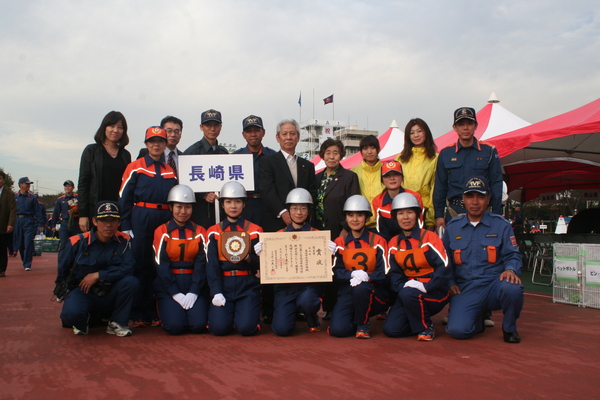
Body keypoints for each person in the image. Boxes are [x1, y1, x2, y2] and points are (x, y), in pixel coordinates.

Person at [443, 176, 523, 343]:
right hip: (466, 288)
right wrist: (450, 282)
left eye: (480, 197)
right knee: (457, 331)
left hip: (494, 285)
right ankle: (477, 319)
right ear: (463, 199)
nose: (475, 202)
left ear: (488, 199)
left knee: (513, 288)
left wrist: (511, 269)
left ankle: (509, 329)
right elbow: (445, 261)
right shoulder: (452, 227)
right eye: (470, 196)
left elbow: (513, 254)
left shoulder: (501, 225)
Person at [258, 119, 316, 323]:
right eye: (284, 134)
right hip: (276, 222)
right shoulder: (267, 162)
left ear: (298, 137)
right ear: (277, 137)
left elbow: (311, 193)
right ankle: (269, 309)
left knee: (299, 264)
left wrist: (303, 216)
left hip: (301, 224)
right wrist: (283, 212)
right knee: (274, 265)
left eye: (293, 133)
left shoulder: (308, 165)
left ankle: (299, 307)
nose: (289, 137)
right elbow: (266, 190)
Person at [119, 126, 177, 326]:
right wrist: (125, 224)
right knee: (140, 264)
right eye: (152, 141)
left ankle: (154, 310)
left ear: (165, 144)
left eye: (160, 141)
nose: (156, 145)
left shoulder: (169, 170)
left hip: (164, 218)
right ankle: (137, 311)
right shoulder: (135, 166)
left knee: (158, 264)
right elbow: (124, 197)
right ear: (146, 144)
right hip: (141, 216)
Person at [56, 201, 139, 337]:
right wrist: (67, 293)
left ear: (119, 223)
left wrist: (98, 275)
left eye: (113, 220)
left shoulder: (125, 241)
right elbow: (63, 271)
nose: (108, 225)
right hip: (84, 291)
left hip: (111, 291)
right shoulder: (77, 242)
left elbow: (128, 268)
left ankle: (117, 323)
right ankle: (86, 319)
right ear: (94, 221)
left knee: (131, 282)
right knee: (71, 315)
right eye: (103, 220)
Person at [260, 188, 334, 336]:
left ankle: (311, 315)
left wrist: (330, 253)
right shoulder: (278, 236)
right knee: (281, 329)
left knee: (308, 301)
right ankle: (291, 312)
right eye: (294, 208)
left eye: (303, 208)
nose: (299, 212)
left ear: (309, 211)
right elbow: (271, 266)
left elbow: (326, 267)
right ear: (288, 210)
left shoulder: (318, 236)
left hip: (309, 287)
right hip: (285, 288)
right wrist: (262, 254)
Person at [383, 192, 451, 341]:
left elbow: (444, 267)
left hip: (434, 291)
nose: (405, 217)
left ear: (417, 215)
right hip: (407, 293)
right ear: (395, 217)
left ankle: (426, 327)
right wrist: (403, 287)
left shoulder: (429, 237)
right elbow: (393, 273)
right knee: (391, 330)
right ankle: (417, 320)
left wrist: (426, 286)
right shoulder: (393, 243)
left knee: (409, 295)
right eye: (400, 213)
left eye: (410, 212)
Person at [205, 182, 262, 336]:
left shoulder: (255, 230)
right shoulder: (214, 232)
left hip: (247, 284)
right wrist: (216, 291)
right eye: (228, 202)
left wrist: (252, 257)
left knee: (246, 329)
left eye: (238, 201)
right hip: (224, 284)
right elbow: (212, 265)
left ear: (244, 204)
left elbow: (259, 265)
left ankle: (249, 318)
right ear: (222, 205)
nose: (233, 206)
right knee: (218, 328)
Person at [434, 107, 503, 231]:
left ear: (475, 126)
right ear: (454, 127)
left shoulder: (489, 151)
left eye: (469, 124)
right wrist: (439, 215)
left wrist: (496, 214)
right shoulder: (446, 153)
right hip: (455, 212)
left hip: (483, 212)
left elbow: (496, 184)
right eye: (461, 124)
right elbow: (440, 186)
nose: (465, 128)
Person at [153, 185, 209, 335]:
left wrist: (194, 291)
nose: (183, 211)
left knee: (198, 325)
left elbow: (201, 264)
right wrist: (174, 292)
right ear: (171, 207)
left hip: (193, 281)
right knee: (175, 327)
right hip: (170, 283)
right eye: (179, 207)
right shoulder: (161, 231)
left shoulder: (200, 231)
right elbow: (161, 264)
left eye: (187, 207)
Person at [329, 195, 388, 339]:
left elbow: (384, 273)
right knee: (338, 331)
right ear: (345, 218)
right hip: (348, 292)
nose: (355, 219)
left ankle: (363, 323)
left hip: (373, 292)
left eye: (360, 215)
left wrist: (367, 277)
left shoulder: (378, 241)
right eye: (350, 215)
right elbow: (336, 272)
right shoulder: (339, 242)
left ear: (367, 218)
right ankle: (356, 319)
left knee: (361, 288)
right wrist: (351, 274)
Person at [314, 138, 360, 320]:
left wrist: (345, 228)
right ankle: (326, 306)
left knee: (338, 268)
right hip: (318, 232)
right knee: (322, 269)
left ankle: (338, 308)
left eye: (335, 153)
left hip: (338, 230)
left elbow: (353, 204)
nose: (331, 156)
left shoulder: (349, 177)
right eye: (328, 153)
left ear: (341, 155)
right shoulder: (317, 178)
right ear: (322, 155)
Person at [78, 111, 132, 233]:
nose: (115, 130)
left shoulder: (125, 155)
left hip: (117, 211)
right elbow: (83, 183)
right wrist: (83, 214)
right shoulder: (91, 151)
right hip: (95, 209)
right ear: (104, 127)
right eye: (112, 126)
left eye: (120, 127)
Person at [183, 109, 229, 228]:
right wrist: (203, 195)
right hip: (200, 211)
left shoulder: (223, 152)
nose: (212, 129)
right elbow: (184, 183)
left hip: (222, 210)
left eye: (216, 125)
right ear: (201, 127)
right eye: (208, 125)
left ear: (221, 127)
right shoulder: (192, 152)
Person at [232, 115, 276, 225]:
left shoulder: (273, 156)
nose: (253, 134)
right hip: (244, 207)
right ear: (243, 135)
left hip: (268, 206)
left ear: (263, 132)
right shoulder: (235, 157)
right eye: (249, 131)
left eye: (257, 130)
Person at [395, 118, 438, 230]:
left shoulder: (435, 158)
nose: (416, 135)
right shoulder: (400, 158)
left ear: (426, 133)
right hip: (402, 208)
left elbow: (434, 188)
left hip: (424, 210)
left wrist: (431, 218)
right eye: (412, 132)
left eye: (419, 131)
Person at [372, 160, 424, 241]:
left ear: (402, 177)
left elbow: (420, 226)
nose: (392, 178)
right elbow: (381, 231)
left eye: (396, 174)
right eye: (387, 175)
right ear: (382, 180)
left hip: (414, 241)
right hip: (389, 243)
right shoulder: (377, 201)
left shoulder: (415, 197)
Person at [351, 135, 385, 230]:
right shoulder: (354, 172)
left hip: (383, 222)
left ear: (378, 149)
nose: (369, 152)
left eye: (373, 148)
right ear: (361, 151)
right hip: (361, 223)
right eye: (365, 148)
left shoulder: (386, 170)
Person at [13, 177, 43, 270]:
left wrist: (40, 223)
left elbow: (37, 211)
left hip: (29, 221)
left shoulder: (32, 197)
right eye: (26, 184)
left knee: (28, 242)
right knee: (20, 244)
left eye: (29, 184)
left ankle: (27, 264)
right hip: (17, 220)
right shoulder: (14, 196)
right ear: (21, 184)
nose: (28, 186)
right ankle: (24, 260)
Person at [51, 180, 80, 253]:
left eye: (69, 186)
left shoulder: (78, 198)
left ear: (73, 187)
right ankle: (63, 258)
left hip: (75, 222)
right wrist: (53, 225)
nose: (67, 188)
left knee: (76, 243)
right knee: (63, 243)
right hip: (64, 223)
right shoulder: (60, 199)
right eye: (66, 186)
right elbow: (56, 213)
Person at [0, 170, 17, 277]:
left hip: (3, 225)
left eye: (0, 178)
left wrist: (10, 224)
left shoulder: (9, 194)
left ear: (3, 180)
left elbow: (13, 210)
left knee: (2, 249)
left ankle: (1, 269)